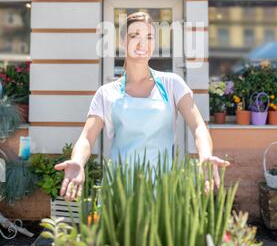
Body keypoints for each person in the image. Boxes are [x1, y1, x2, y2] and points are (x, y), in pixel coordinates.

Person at [55, 11, 230, 201]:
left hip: (162, 192)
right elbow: (87, 138)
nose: (142, 43)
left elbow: (198, 126)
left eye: (149, 37)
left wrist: (205, 156)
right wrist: (78, 162)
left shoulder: (172, 84)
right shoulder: (106, 93)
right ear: (123, 42)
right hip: (118, 192)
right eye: (134, 36)